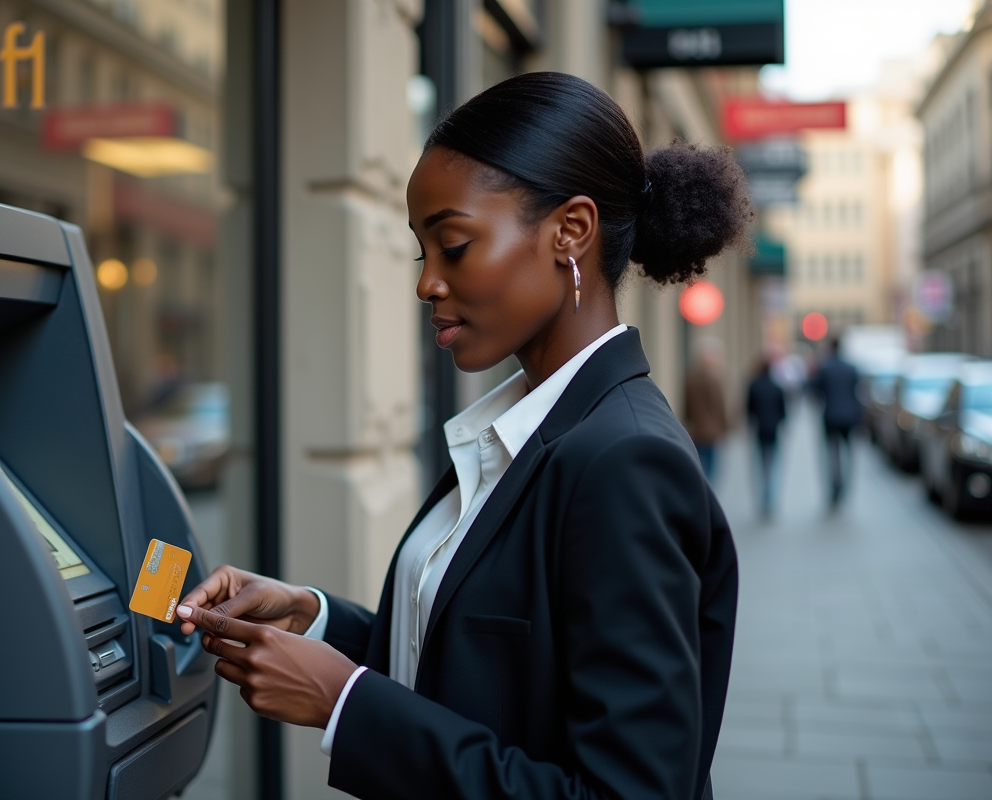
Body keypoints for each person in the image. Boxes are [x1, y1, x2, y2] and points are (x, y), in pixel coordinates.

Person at [175, 73, 746, 800]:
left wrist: (345, 703)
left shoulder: (625, 461)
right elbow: (488, 663)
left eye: (453, 244)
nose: (427, 284)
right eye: (424, 253)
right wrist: (313, 620)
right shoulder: (525, 429)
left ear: (571, 231)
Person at [810, 337, 862, 508]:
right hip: (849, 417)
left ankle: (835, 486)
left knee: (833, 454)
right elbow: (858, 392)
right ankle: (845, 486)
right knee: (848, 454)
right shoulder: (851, 368)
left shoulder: (825, 368)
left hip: (831, 417)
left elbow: (815, 391)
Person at [684, 337, 730, 481]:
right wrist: (725, 427)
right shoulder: (714, 380)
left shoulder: (690, 379)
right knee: (711, 465)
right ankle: (707, 488)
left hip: (696, 429)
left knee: (699, 461)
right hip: (711, 431)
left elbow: (686, 406)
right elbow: (719, 406)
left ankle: (702, 485)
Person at [747, 358, 787, 518]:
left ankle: (764, 496)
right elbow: (783, 411)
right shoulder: (777, 387)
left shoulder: (754, 386)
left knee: (762, 463)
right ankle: (770, 497)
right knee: (773, 463)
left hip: (760, 429)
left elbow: (749, 409)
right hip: (773, 429)